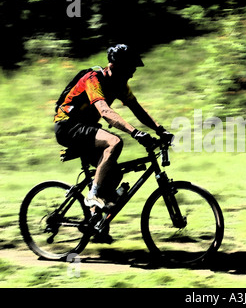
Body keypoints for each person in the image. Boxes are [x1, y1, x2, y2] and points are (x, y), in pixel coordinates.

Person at [54, 44, 173, 212]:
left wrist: (161, 130)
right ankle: (93, 195)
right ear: (115, 66)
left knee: (114, 173)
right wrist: (135, 132)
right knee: (114, 142)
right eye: (130, 68)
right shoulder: (93, 79)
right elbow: (104, 111)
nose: (132, 73)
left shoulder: (120, 84)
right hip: (67, 126)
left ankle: (96, 223)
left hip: (85, 128)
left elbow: (137, 109)